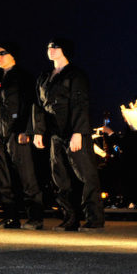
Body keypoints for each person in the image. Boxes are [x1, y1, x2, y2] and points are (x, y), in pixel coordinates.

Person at [33, 38, 104, 231]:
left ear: (65, 50)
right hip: (55, 134)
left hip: (74, 132)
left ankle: (94, 219)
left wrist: (78, 132)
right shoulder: (44, 77)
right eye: (49, 46)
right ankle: (70, 218)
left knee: (86, 175)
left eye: (55, 46)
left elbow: (80, 105)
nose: (51, 50)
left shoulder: (76, 75)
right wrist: (38, 131)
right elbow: (38, 107)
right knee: (60, 177)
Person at [0, 42, 44, 230]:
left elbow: (31, 105)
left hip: (17, 133)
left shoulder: (24, 78)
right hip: (0, 134)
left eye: (2, 53)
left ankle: (35, 217)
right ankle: (10, 217)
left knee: (27, 176)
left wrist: (26, 130)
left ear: (13, 55)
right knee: (3, 178)